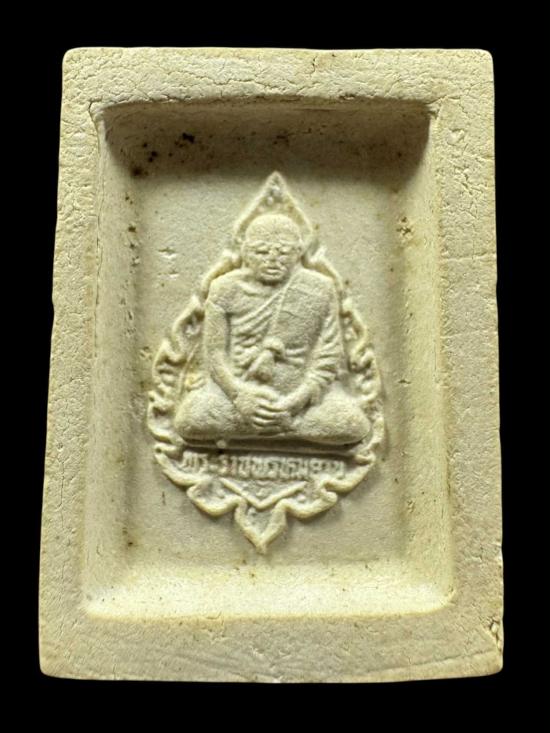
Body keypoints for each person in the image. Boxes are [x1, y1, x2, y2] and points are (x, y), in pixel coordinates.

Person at [174, 213, 370, 445]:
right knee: (189, 419)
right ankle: (283, 428)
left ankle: (275, 423)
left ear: (299, 251)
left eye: (283, 252)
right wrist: (239, 395)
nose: (273, 260)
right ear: (245, 251)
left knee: (352, 423)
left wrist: (295, 402)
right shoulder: (225, 288)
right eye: (261, 252)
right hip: (237, 397)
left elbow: (329, 357)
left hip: (300, 400)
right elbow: (215, 356)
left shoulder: (319, 288)